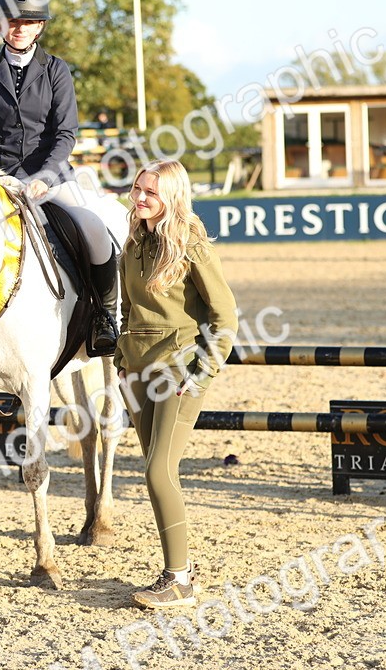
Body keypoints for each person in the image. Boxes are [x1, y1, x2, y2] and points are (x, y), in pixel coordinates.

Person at [0, 0, 118, 355]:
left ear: (40, 25)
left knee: (93, 228)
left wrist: (44, 177)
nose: (20, 28)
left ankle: (104, 315)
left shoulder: (56, 70)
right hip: (0, 179)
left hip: (51, 176)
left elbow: (66, 133)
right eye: (12, 21)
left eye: (28, 22)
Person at [112, 160, 237, 609]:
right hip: (137, 372)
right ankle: (179, 569)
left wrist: (201, 372)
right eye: (138, 188)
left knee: (157, 471)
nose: (141, 197)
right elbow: (126, 310)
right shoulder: (131, 246)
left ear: (173, 197)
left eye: (152, 192)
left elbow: (226, 319)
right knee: (158, 472)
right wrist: (120, 363)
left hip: (179, 371)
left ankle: (179, 579)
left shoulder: (193, 247)